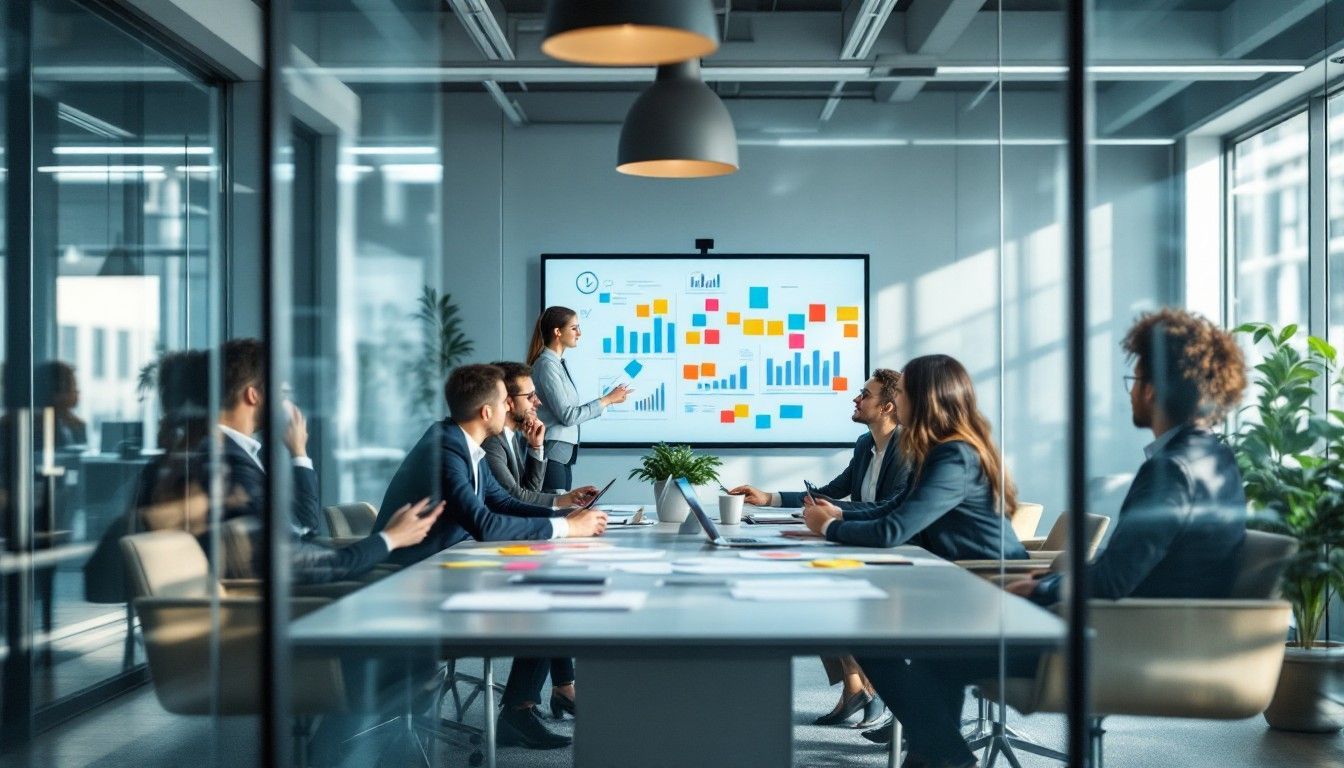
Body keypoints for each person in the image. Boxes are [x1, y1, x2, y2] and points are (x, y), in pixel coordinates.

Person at [855, 310, 1249, 766]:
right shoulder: (1213, 457)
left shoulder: (1170, 470)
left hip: (1126, 640)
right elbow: (1140, 565)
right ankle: (942, 760)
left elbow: (1117, 579)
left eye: (1134, 379)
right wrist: (1050, 577)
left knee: (912, 650)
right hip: (1158, 629)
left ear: (1155, 389)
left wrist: (1042, 587)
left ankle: (950, 759)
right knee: (934, 653)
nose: (1132, 392)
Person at [375, 363, 608, 749]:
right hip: (412, 587)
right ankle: (518, 710)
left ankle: (520, 708)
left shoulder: (464, 444)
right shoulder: (445, 447)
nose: (512, 409)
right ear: (487, 412)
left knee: (550, 587)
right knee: (545, 597)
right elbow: (484, 522)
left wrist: (564, 516)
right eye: (505, 401)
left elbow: (500, 501)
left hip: (444, 569)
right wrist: (567, 528)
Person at [729, 368, 913, 728]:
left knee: (826, 599)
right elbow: (832, 490)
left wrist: (836, 514)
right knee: (813, 595)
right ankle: (856, 687)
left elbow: (894, 506)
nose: (856, 399)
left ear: (888, 406)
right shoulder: (865, 445)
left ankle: (866, 689)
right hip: (858, 544)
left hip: (894, 550)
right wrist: (768, 498)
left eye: (865, 394)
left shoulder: (908, 448)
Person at [208, 339, 444, 584]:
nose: (288, 406)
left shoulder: (242, 454)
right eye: (281, 394)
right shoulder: (230, 464)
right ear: (253, 395)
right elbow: (312, 564)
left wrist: (298, 452)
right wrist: (391, 537)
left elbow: (304, 529)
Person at [800, 354, 1026, 562]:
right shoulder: (931, 450)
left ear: (922, 400)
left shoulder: (955, 456)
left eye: (899, 392)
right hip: (952, 571)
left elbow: (892, 530)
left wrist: (827, 526)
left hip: (990, 580)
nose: (894, 401)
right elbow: (894, 508)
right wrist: (839, 514)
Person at [482, 360, 597, 719]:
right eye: (529, 396)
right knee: (548, 596)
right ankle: (520, 709)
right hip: (479, 554)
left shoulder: (511, 438)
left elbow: (522, 494)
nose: (538, 403)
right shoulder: (490, 443)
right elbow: (513, 500)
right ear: (505, 400)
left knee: (557, 585)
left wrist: (535, 449)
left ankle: (563, 687)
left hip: (495, 542)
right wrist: (562, 510)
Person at [527, 305, 630, 491]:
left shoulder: (557, 363)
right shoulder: (547, 365)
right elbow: (568, 416)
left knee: (566, 510)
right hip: (553, 452)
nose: (579, 333)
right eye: (574, 328)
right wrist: (607, 400)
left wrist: (609, 399)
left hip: (562, 454)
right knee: (558, 511)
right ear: (557, 332)